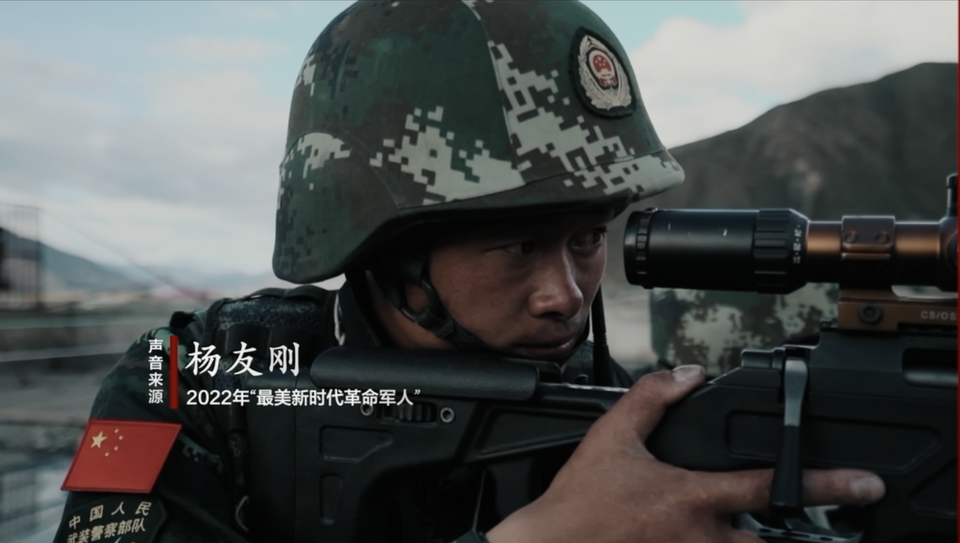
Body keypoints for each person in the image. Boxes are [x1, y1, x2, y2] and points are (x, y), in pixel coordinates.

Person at [55, 2, 884, 542]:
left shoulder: (629, 419)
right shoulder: (190, 378)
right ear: (386, 247)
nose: (565, 294)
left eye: (586, 239)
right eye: (518, 247)